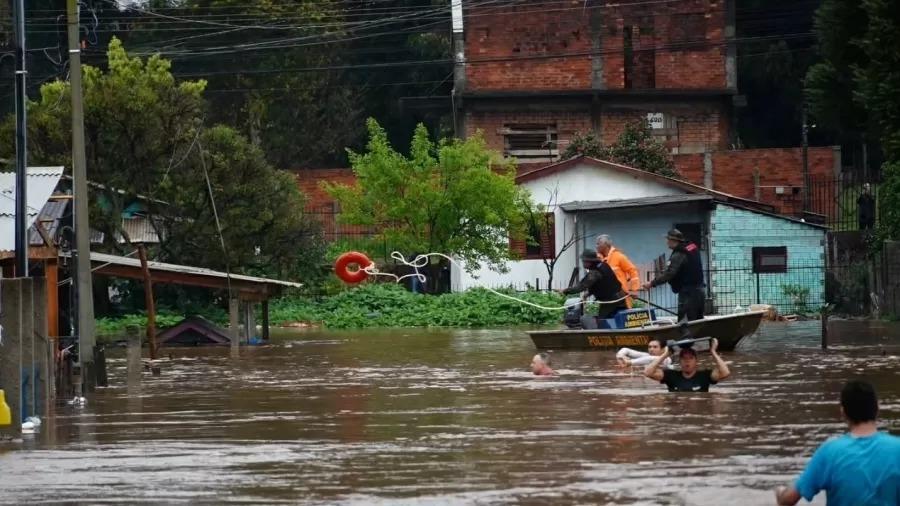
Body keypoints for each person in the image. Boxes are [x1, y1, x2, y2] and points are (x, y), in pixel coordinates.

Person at [774, 380, 900, 506]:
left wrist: (779, 493)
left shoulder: (830, 451)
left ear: (843, 413)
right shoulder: (897, 449)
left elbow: (788, 500)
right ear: (877, 408)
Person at [641, 229, 705, 322]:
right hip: (700, 291)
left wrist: (652, 283)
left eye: (668, 240)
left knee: (685, 323)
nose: (667, 242)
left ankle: (687, 337)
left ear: (673, 240)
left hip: (688, 293)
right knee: (698, 322)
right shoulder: (691, 247)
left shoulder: (679, 253)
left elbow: (669, 273)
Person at [559, 249, 628, 322]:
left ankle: (599, 333)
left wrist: (565, 291)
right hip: (620, 297)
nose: (582, 263)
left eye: (583, 261)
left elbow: (581, 286)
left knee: (602, 321)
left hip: (611, 300)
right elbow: (604, 283)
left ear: (589, 262)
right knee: (618, 320)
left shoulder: (594, 272)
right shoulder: (603, 265)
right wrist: (588, 293)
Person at [644, 338, 729, 392]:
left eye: (690, 358)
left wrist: (713, 352)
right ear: (680, 361)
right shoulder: (671, 376)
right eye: (684, 358)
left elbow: (725, 372)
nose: (687, 361)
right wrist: (665, 354)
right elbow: (648, 372)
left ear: (696, 361)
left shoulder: (705, 376)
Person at [596, 234, 640, 308]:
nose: (596, 246)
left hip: (621, 297)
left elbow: (633, 271)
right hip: (606, 299)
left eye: (598, 244)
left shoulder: (619, 257)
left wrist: (634, 289)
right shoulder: (599, 260)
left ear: (605, 244)